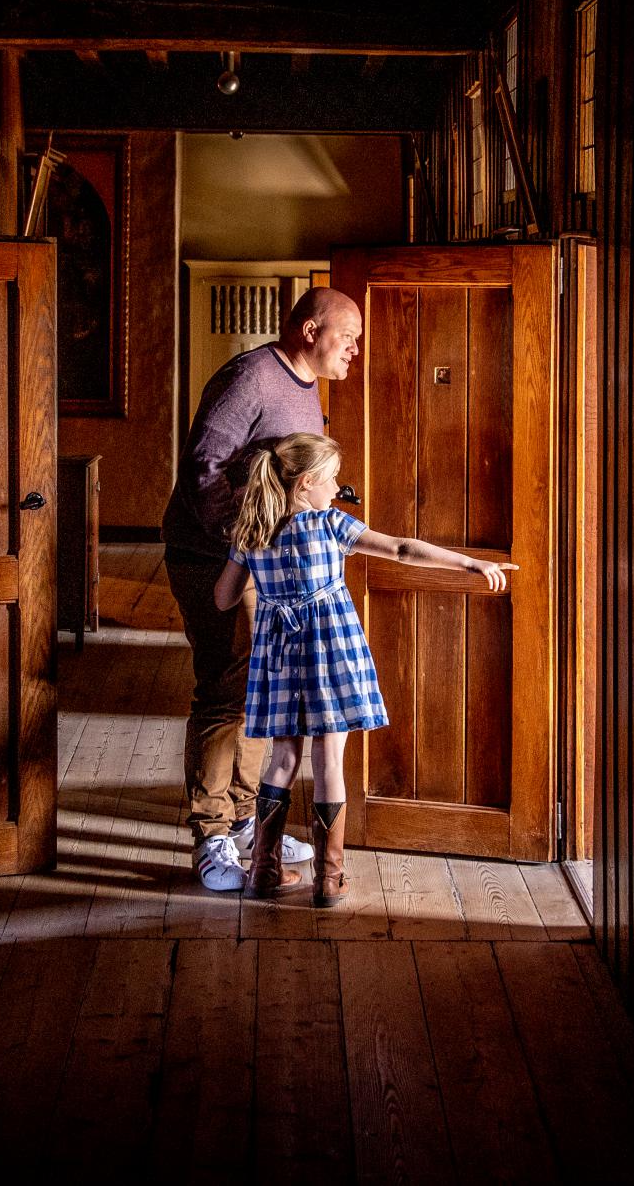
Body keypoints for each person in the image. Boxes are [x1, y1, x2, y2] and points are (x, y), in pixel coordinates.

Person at [214, 433, 517, 905]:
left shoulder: (252, 531)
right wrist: (469, 562)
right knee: (328, 760)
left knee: (282, 758)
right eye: (332, 480)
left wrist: (253, 568)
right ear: (308, 482)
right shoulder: (332, 524)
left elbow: (223, 598)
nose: (337, 489)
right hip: (330, 649)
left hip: (277, 654)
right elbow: (400, 548)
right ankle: (328, 879)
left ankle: (263, 872)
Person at [161, 286, 364, 892]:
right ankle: (212, 835)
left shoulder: (304, 390)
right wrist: (254, 544)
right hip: (213, 560)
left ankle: (247, 819)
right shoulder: (250, 378)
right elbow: (203, 469)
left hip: (261, 568)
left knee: (259, 694)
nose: (354, 350)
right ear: (309, 330)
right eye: (347, 337)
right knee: (225, 693)